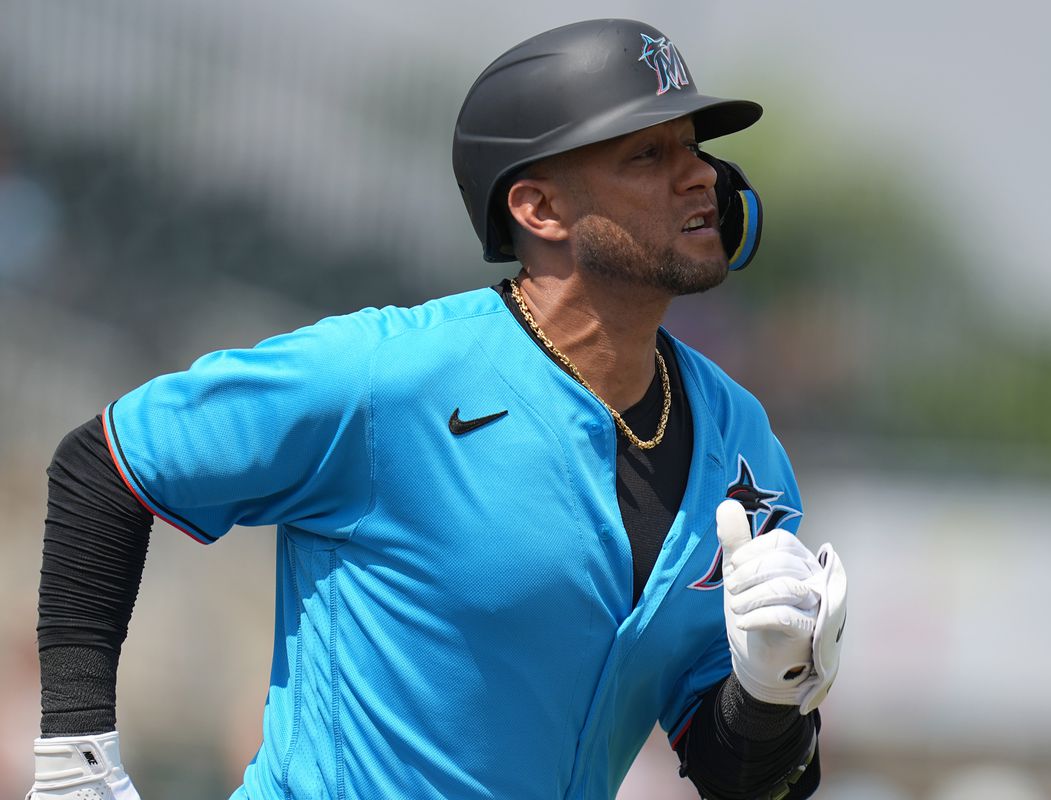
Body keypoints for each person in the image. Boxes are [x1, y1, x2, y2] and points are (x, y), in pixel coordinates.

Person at [28, 18, 847, 800]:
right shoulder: (390, 374)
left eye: (694, 147)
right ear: (540, 209)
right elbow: (108, 461)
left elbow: (739, 778)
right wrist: (75, 754)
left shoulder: (741, 442)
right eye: (648, 153)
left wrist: (769, 693)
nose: (701, 175)